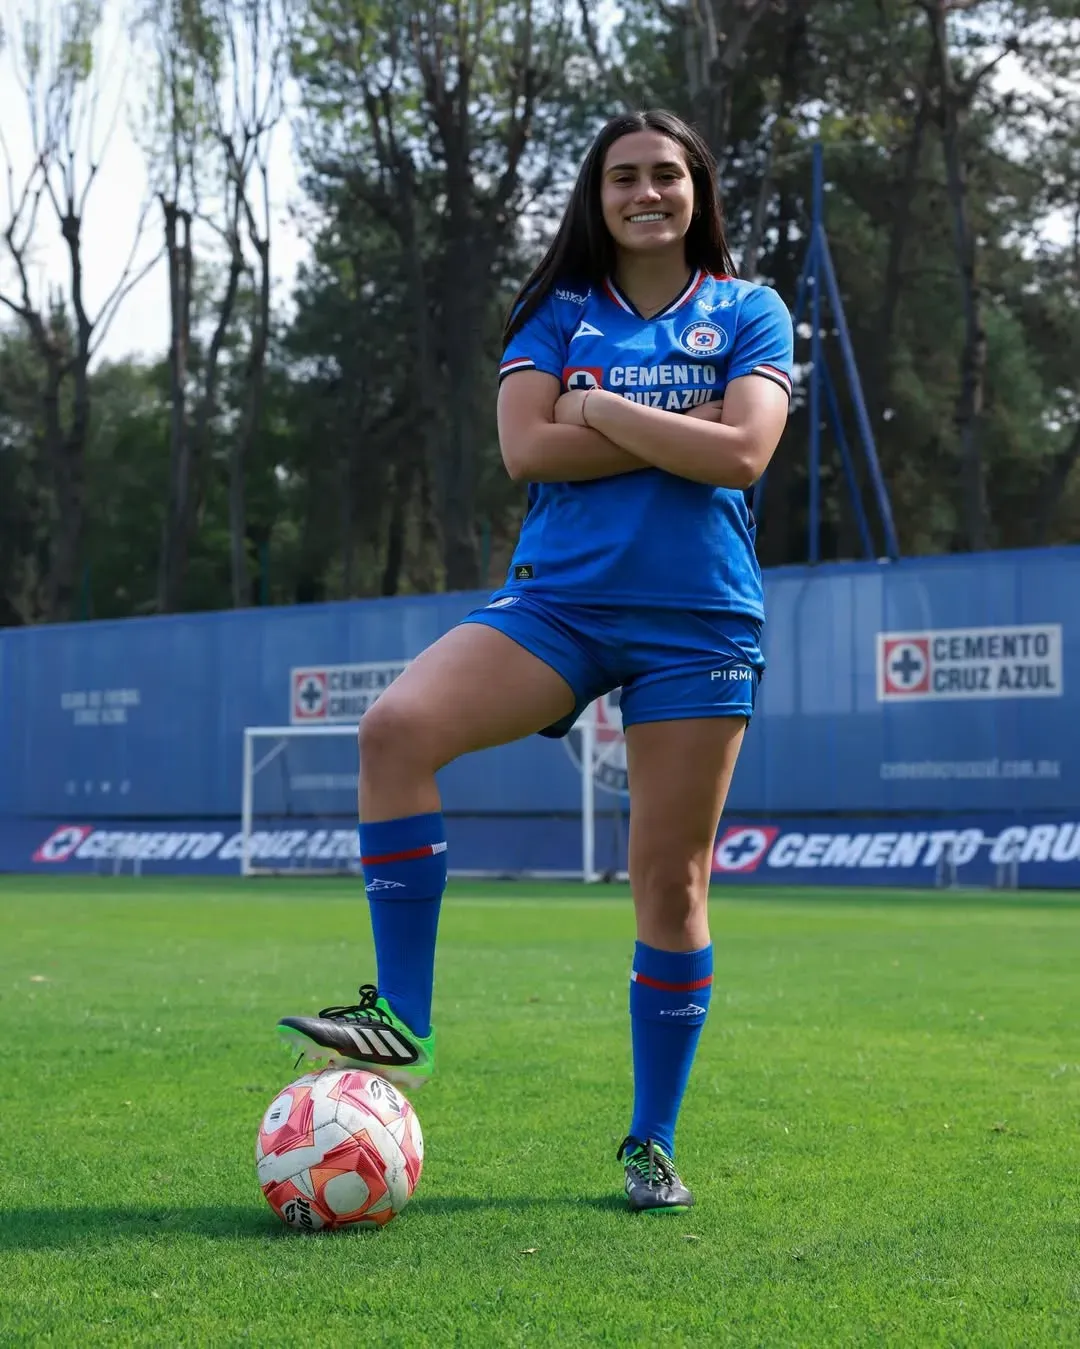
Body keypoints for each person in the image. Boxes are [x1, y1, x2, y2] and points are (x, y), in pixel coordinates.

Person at [278, 108, 794, 1214]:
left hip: (699, 623)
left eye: (665, 174)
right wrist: (674, 423)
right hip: (557, 605)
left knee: (671, 880)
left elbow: (744, 452)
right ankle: (402, 1016)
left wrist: (596, 406)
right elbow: (525, 447)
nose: (645, 192)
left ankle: (651, 1142)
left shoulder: (750, 310)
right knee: (396, 729)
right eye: (623, 177)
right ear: (595, 197)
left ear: (697, 188)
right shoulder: (558, 311)